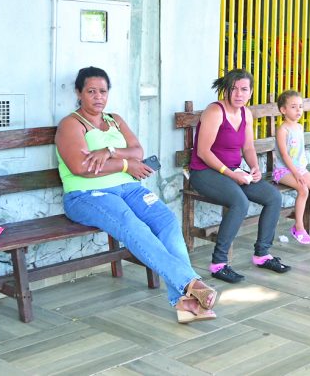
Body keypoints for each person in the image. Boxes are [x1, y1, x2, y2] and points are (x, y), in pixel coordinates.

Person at [55, 66, 218, 324]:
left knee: (166, 220)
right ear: (78, 93)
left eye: (103, 91)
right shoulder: (71, 124)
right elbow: (80, 167)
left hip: (128, 188)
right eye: (91, 91)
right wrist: (124, 164)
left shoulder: (115, 120)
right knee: (132, 224)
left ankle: (185, 303)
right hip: (87, 194)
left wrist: (109, 151)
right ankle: (190, 284)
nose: (98, 97)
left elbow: (138, 152)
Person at [188, 69, 291, 284]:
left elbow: (248, 147)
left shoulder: (246, 114)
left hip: (234, 172)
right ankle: (219, 264)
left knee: (273, 197)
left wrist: (254, 168)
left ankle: (262, 254)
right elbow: (203, 152)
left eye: (244, 89)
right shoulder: (215, 111)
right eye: (233, 89)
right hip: (205, 172)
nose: (238, 94)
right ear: (226, 90)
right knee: (239, 202)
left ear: (251, 92)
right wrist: (231, 174)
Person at [272, 90, 310, 245]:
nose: (298, 110)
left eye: (300, 106)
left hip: (300, 169)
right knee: (303, 189)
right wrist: (296, 173)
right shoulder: (282, 130)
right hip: (283, 171)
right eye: (293, 107)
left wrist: (300, 171)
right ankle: (298, 227)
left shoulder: (299, 127)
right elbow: (285, 155)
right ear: (283, 110)